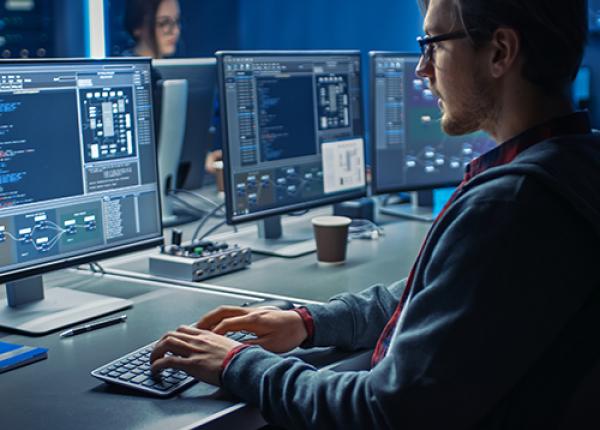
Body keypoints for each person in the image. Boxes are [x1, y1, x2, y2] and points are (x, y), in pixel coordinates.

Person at [150, 0, 600, 428]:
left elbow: (383, 413)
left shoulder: (509, 205)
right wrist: (310, 322)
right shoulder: (573, 165)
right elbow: (434, 296)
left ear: (500, 52)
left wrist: (237, 364)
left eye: (435, 45)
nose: (422, 68)